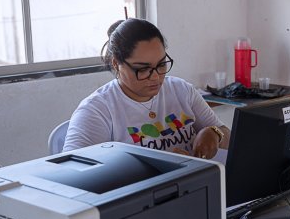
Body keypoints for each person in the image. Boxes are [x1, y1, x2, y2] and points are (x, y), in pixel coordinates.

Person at [63, 18, 230, 159]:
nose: (155, 77)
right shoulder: (97, 110)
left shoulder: (182, 91)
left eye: (161, 65)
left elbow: (227, 136)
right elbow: (72, 174)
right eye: (142, 69)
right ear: (116, 63)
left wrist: (214, 133)